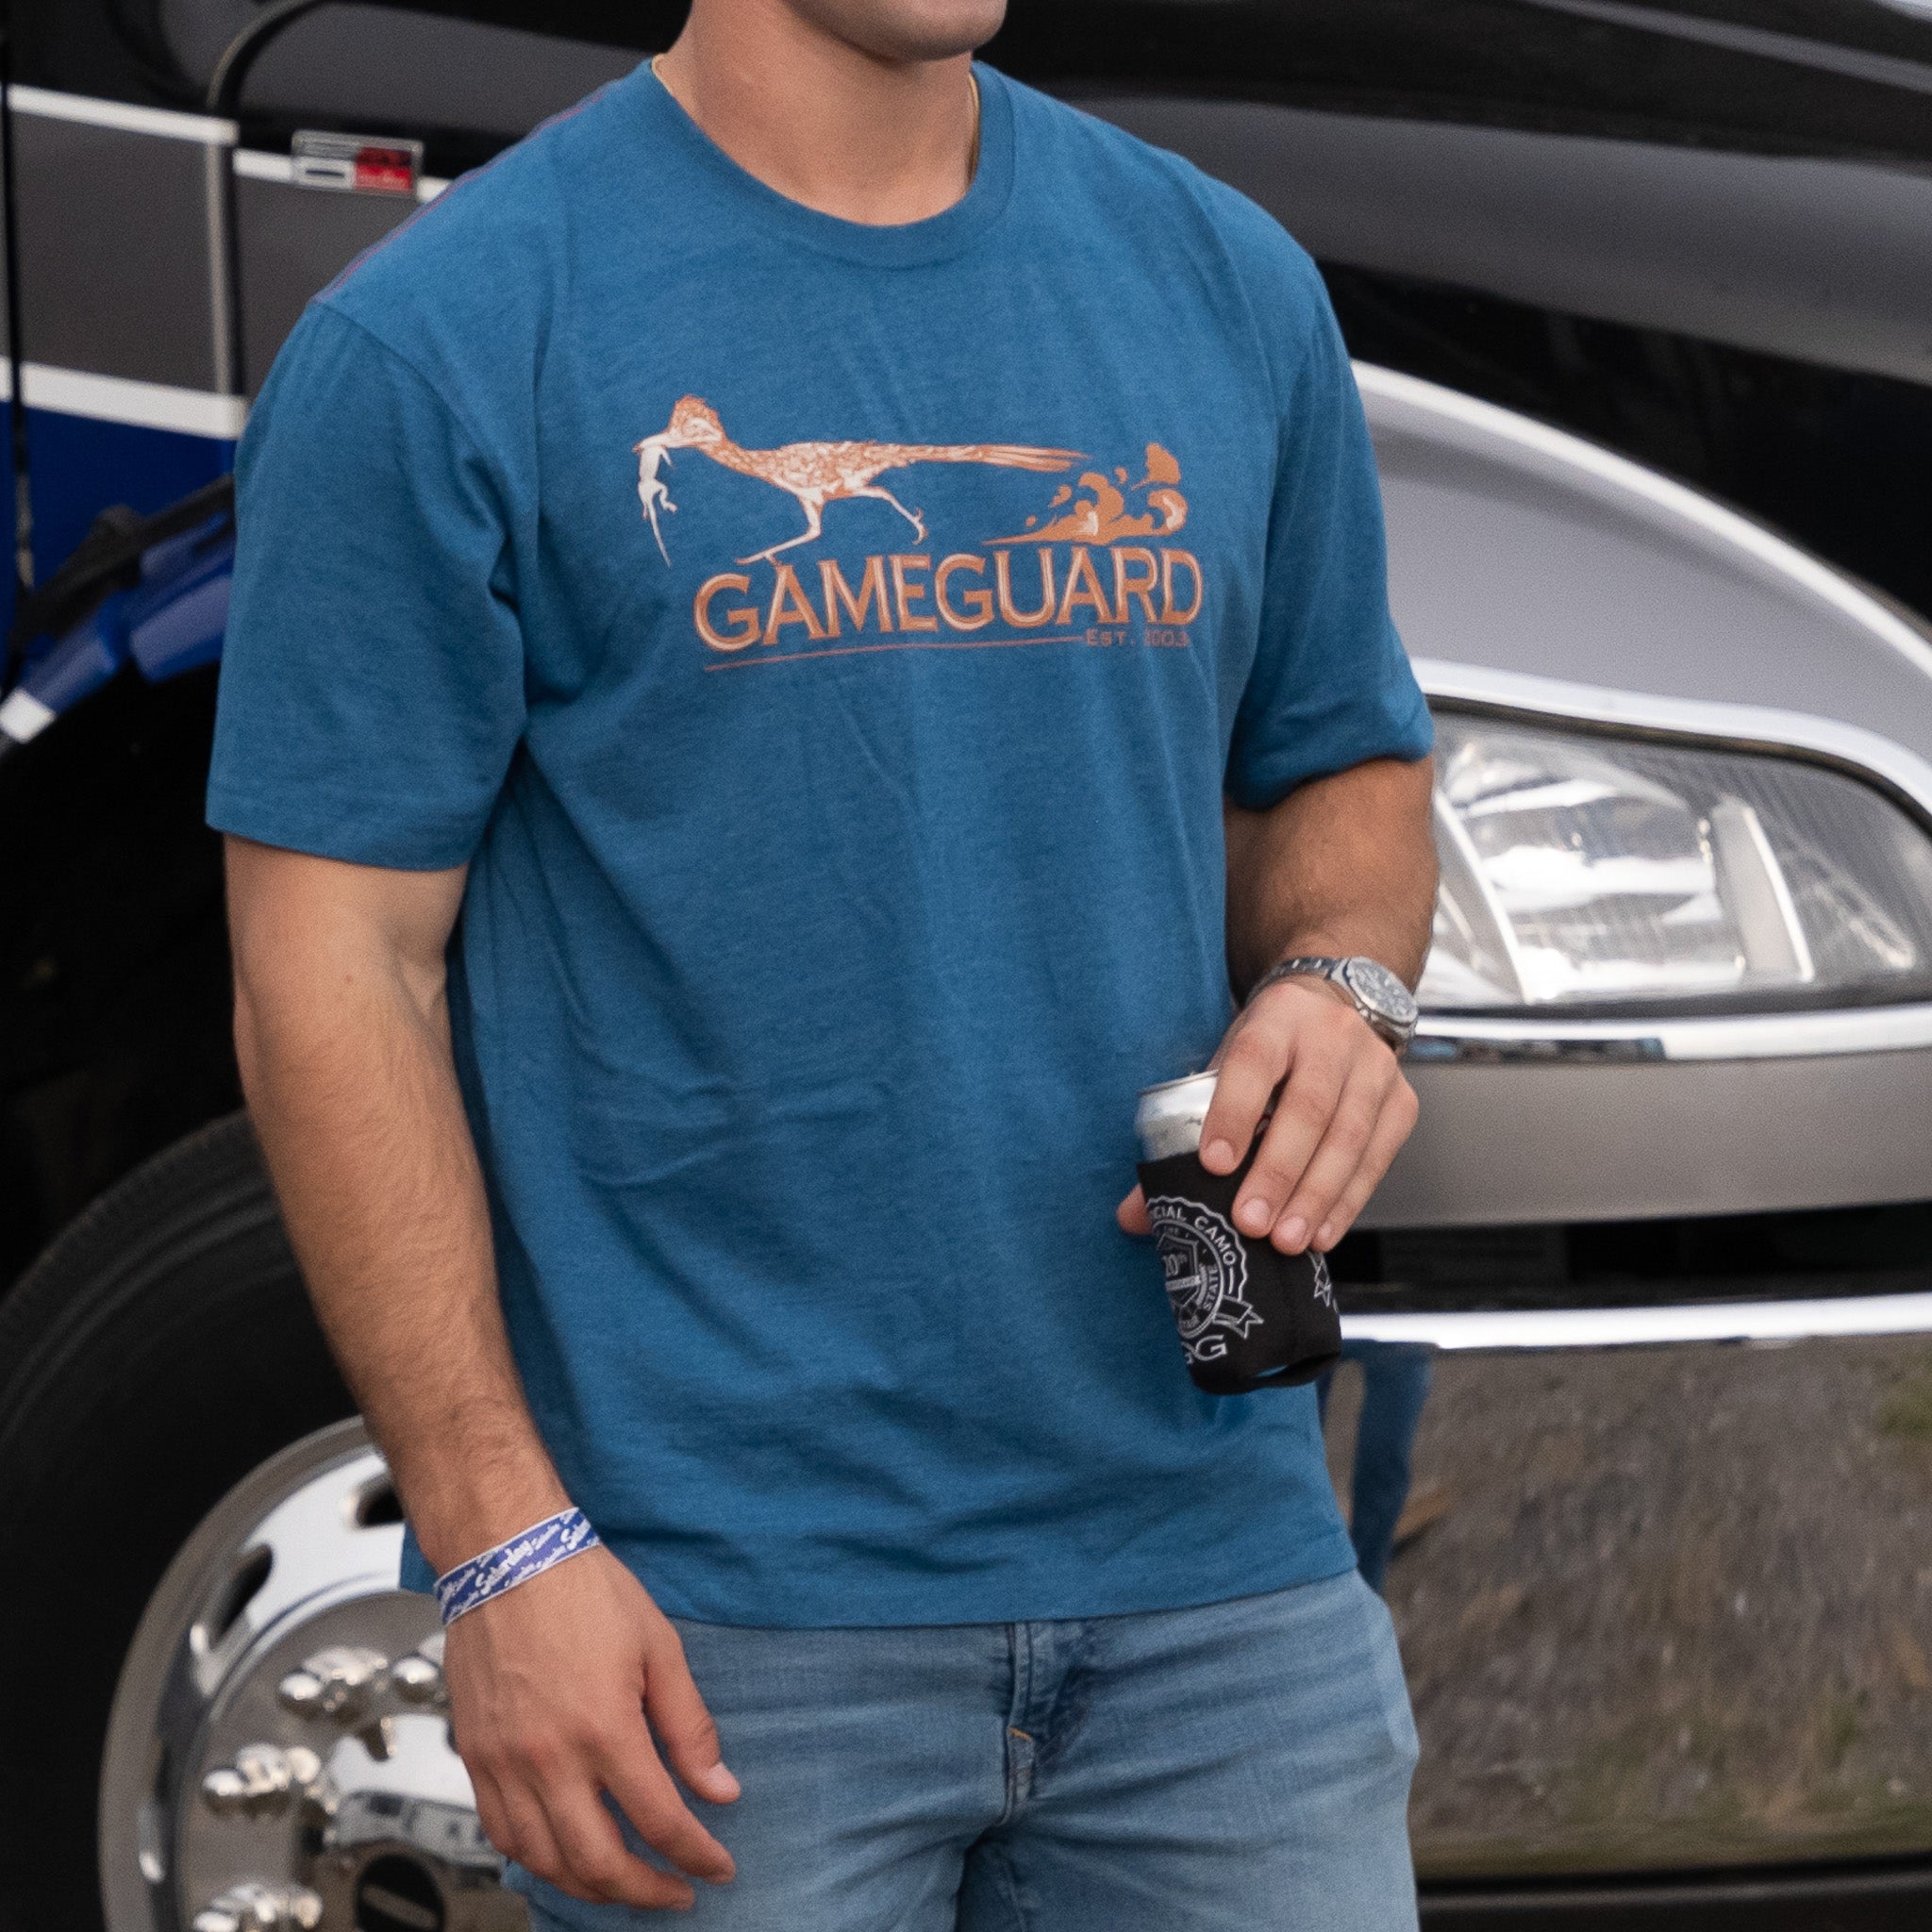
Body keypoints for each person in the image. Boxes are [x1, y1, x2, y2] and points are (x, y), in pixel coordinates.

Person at [209, 0, 1441, 1924]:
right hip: (718, 1639)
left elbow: (1339, 768)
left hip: (1223, 1588)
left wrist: (1342, 985)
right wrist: (496, 1549)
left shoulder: (1218, 275)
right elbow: (333, 972)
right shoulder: (441, 340)